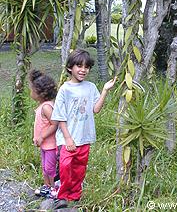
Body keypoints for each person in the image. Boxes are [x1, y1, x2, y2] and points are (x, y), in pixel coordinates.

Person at [51, 49, 117, 209]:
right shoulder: (65, 89)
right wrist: (67, 138)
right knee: (66, 166)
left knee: (80, 167)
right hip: (68, 137)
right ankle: (62, 196)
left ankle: (75, 194)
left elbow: (95, 109)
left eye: (86, 67)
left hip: (84, 137)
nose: (83, 70)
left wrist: (105, 90)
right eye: (79, 66)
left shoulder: (91, 87)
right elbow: (60, 116)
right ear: (70, 68)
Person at [29, 69, 58, 199]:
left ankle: (53, 189)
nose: (31, 92)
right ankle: (47, 186)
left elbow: (54, 124)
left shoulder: (47, 107)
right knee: (45, 167)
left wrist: (41, 136)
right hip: (44, 145)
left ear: (41, 93)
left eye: (32, 90)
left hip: (51, 144)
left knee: (50, 168)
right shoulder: (42, 105)